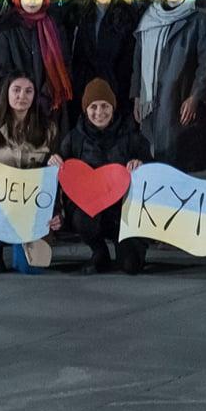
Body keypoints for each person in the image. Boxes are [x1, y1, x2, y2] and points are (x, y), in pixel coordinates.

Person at [0, 73, 62, 273]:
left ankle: (24, 241)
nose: (22, 96)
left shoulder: (48, 128)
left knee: (31, 268)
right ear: (6, 93)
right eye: (16, 90)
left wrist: (57, 211)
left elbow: (53, 180)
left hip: (31, 205)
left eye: (28, 91)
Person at [57, 79, 151, 274]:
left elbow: (153, 170)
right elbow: (60, 174)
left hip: (123, 211)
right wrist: (53, 162)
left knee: (131, 266)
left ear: (113, 107)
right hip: (91, 210)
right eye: (93, 106)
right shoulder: (74, 139)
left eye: (104, 106)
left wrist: (141, 164)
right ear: (85, 109)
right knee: (82, 217)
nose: (99, 112)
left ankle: (127, 244)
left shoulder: (131, 136)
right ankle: (99, 251)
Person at [129, 0, 206, 173]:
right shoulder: (150, 17)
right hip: (152, 102)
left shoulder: (198, 19)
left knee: (179, 166)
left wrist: (195, 97)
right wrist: (137, 95)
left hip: (180, 99)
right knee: (153, 164)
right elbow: (138, 61)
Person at [0, 0, 79, 127]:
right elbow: (4, 68)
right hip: (19, 101)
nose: (32, 1)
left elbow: (65, 60)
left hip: (51, 100)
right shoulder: (8, 26)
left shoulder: (53, 23)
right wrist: (26, 91)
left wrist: (48, 89)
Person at [72, 0, 138, 103]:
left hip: (119, 88)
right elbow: (79, 56)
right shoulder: (83, 14)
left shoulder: (127, 14)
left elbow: (130, 58)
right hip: (89, 88)